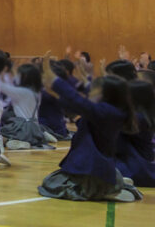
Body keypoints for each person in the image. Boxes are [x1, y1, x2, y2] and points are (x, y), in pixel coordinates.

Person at [37, 57, 142, 202]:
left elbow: (79, 101)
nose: (89, 93)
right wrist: (57, 93)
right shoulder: (113, 109)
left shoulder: (104, 112)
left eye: (93, 90)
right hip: (99, 167)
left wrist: (53, 78)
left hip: (90, 168)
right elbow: (80, 102)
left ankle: (102, 191)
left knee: (51, 183)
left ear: (104, 95)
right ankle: (112, 186)